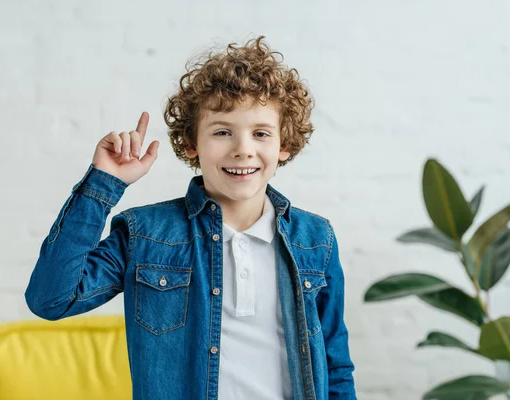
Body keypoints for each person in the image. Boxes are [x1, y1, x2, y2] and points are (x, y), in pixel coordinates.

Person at [25, 35, 356, 400]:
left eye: (261, 133)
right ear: (191, 144)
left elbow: (335, 364)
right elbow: (51, 299)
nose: (242, 149)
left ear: (284, 145)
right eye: (222, 132)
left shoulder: (316, 240)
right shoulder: (145, 235)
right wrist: (104, 184)